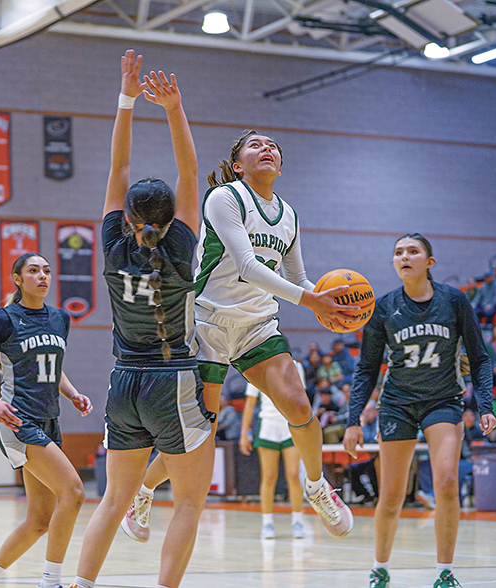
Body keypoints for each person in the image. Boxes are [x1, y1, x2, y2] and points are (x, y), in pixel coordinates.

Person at [121, 128, 358, 540]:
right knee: (200, 432)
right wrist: (310, 300)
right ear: (237, 165)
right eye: (256, 145)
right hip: (209, 321)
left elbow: (297, 277)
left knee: (300, 407)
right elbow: (247, 265)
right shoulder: (225, 198)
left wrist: (326, 304)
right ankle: (143, 493)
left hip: (257, 324)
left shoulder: (289, 214)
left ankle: (317, 488)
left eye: (273, 146)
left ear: (280, 164)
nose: (267, 148)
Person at [69, 51, 213, 588]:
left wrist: (127, 96)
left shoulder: (111, 246)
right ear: (171, 214)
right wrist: (173, 108)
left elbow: (118, 170)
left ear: (126, 218)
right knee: (190, 503)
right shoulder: (180, 244)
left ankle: (80, 584)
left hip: (122, 383)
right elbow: (191, 172)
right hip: (171, 380)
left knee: (113, 500)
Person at [344, 233, 495, 588]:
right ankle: (380, 567)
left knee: (445, 482)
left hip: (443, 400)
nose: (404, 257)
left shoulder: (454, 301)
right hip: (397, 402)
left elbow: (480, 357)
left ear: (430, 262)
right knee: (392, 493)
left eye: (413, 251)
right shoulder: (382, 307)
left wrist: (485, 404)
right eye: (398, 253)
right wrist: (353, 420)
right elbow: (367, 368)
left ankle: (445, 572)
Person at [0, 252, 92, 588]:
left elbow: (51, 366)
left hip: (49, 420)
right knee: (74, 492)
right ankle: (51, 582)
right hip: (19, 421)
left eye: (46, 271)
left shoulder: (61, 318)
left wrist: (73, 393)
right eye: (34, 271)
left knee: (39, 521)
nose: (43, 276)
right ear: (17, 279)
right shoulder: (3, 320)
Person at [239, 360, 308, 540]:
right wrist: (244, 434)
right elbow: (250, 403)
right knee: (269, 476)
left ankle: (298, 521)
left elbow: (302, 395)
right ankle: (267, 522)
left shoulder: (295, 365)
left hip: (290, 423)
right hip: (268, 424)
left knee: (293, 474)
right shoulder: (254, 366)